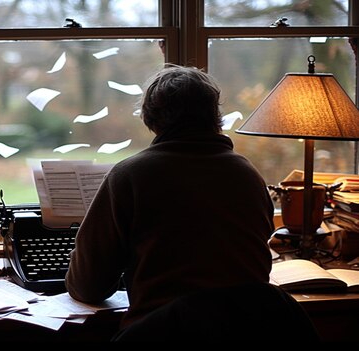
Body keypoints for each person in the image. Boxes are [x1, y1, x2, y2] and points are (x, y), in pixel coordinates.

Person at [64, 64, 275, 331]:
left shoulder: (130, 175)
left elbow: (87, 286)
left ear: (150, 116)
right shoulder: (248, 174)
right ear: (214, 115)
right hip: (247, 332)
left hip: (161, 332)